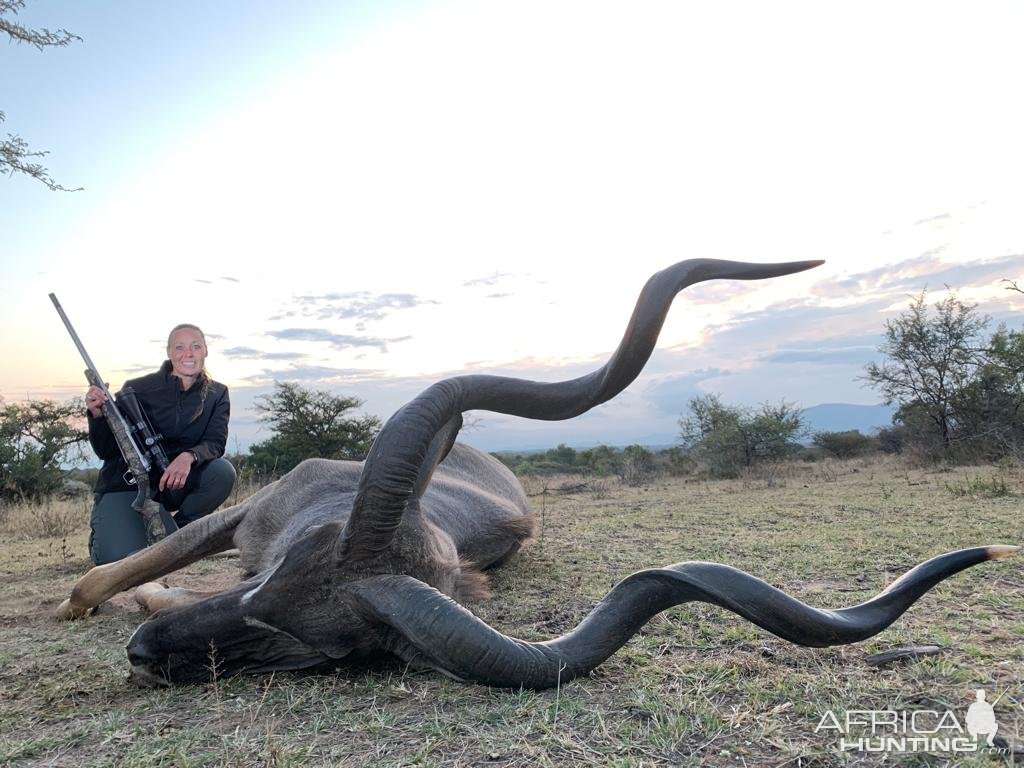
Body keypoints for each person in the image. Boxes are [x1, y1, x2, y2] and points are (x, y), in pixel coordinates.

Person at [85, 323, 236, 565]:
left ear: (205, 351)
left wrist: (189, 456)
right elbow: (105, 450)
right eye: (180, 347)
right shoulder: (136, 388)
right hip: (126, 484)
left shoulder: (217, 393)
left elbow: (215, 442)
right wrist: (98, 416)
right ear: (169, 352)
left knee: (221, 472)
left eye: (196, 346)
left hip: (172, 484)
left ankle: (181, 531)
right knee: (120, 560)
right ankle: (105, 536)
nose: (188, 353)